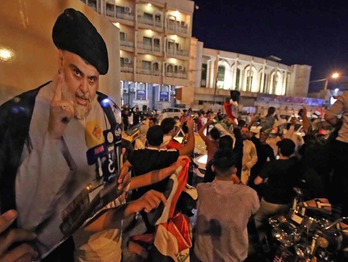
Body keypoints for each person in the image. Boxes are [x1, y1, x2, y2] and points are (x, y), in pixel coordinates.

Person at [0, 8, 133, 260]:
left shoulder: (106, 111)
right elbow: (26, 217)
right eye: (77, 73)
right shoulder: (14, 119)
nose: (84, 89)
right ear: (61, 62)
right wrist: (53, 135)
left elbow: (106, 171)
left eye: (92, 79)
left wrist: (119, 174)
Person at [194, 149, 260, 262]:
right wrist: (239, 182)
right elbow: (255, 209)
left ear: (213, 168)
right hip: (234, 254)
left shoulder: (201, 190)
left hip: (205, 254)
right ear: (234, 170)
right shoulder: (249, 194)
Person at [253, 139, 300, 240]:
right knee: (281, 222)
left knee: (258, 218)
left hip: (270, 201)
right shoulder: (296, 165)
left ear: (279, 150)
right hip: (286, 202)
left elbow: (257, 181)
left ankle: (262, 242)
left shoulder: (272, 164)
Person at [324, 90, 348, 215]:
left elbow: (328, 116)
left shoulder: (345, 96)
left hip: (343, 144)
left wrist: (340, 124)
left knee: (340, 181)